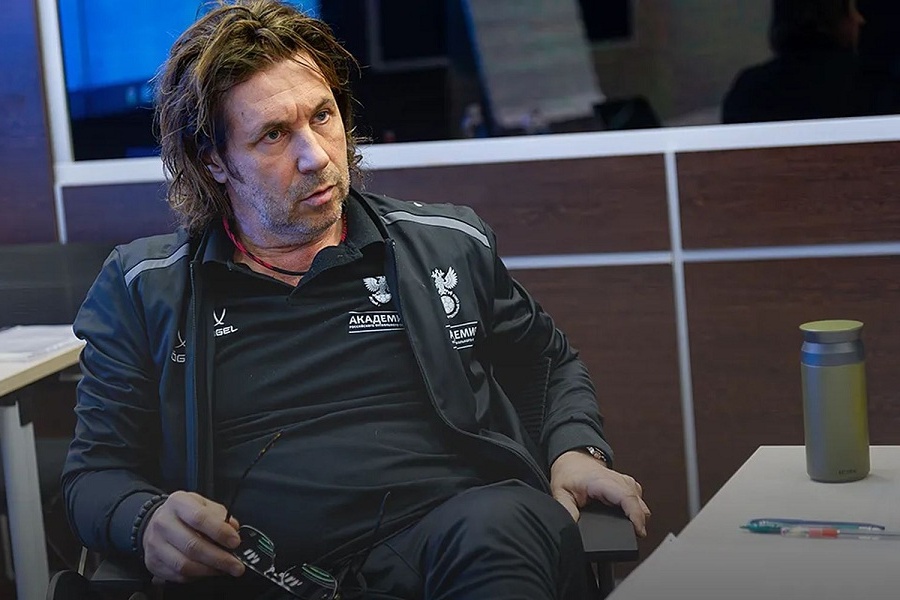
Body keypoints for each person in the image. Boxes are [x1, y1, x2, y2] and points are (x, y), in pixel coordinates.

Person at [62, 1, 650, 598]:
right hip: (260, 573)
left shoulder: (446, 246)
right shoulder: (146, 290)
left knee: (505, 523)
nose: (316, 155)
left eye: (323, 116)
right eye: (273, 134)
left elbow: (546, 364)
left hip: (454, 549)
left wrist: (576, 450)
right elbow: (94, 473)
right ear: (212, 159)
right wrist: (144, 520)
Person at [722, 0, 874, 123]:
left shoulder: (748, 92)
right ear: (833, 15)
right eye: (851, 9)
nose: (859, 19)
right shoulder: (870, 85)